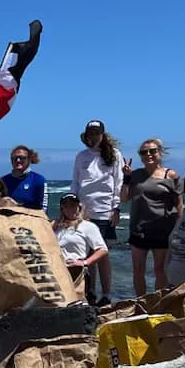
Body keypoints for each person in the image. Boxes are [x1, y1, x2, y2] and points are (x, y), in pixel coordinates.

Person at [71, 119, 123, 304]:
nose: (93, 138)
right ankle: (90, 290)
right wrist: (73, 206)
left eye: (96, 134)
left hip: (104, 211)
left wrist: (116, 208)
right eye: (90, 135)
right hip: (84, 212)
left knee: (102, 254)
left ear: (102, 135)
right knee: (86, 254)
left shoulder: (114, 155)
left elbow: (118, 183)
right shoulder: (81, 156)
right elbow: (76, 183)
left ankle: (107, 293)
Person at [121, 138, 181, 297]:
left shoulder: (171, 175)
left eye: (152, 151)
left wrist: (178, 228)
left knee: (160, 269)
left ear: (160, 153)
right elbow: (124, 198)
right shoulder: (135, 175)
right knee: (138, 270)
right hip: (138, 229)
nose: (148, 154)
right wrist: (126, 178)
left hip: (162, 230)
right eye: (144, 152)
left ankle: (158, 303)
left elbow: (179, 204)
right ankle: (141, 302)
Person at [52, 193, 108, 305]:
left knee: (76, 303)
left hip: (76, 271)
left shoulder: (87, 226)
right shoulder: (57, 227)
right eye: (66, 206)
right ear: (62, 209)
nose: (70, 209)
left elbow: (102, 250)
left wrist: (85, 262)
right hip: (58, 271)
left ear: (79, 207)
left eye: (73, 206)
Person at [3, 145, 47, 211]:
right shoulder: (3, 181)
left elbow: (44, 208)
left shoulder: (39, 180)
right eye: (15, 158)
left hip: (32, 219)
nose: (18, 160)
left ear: (29, 159)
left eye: (22, 158)